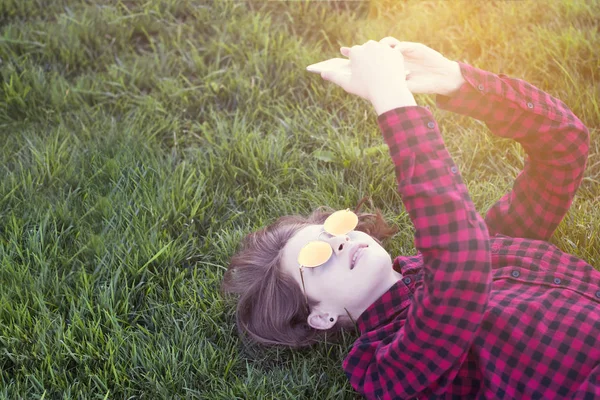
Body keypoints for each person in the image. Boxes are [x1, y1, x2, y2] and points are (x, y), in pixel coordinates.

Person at [221, 38, 600, 399]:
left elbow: (565, 147)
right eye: (317, 258)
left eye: (332, 229)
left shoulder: (487, 243)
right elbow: (459, 271)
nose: (340, 242)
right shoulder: (390, 366)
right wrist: (392, 99)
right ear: (321, 316)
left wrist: (457, 81)